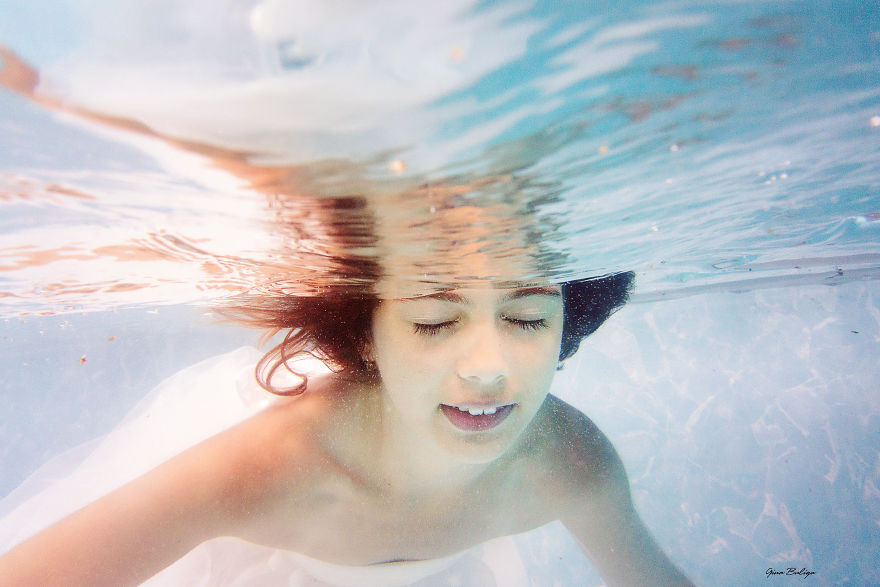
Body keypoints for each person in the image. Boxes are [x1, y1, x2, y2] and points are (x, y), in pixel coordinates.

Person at [0, 45, 691, 585]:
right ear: (366, 332)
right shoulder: (269, 470)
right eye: (431, 320)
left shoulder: (570, 463)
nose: (488, 369)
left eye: (529, 319)